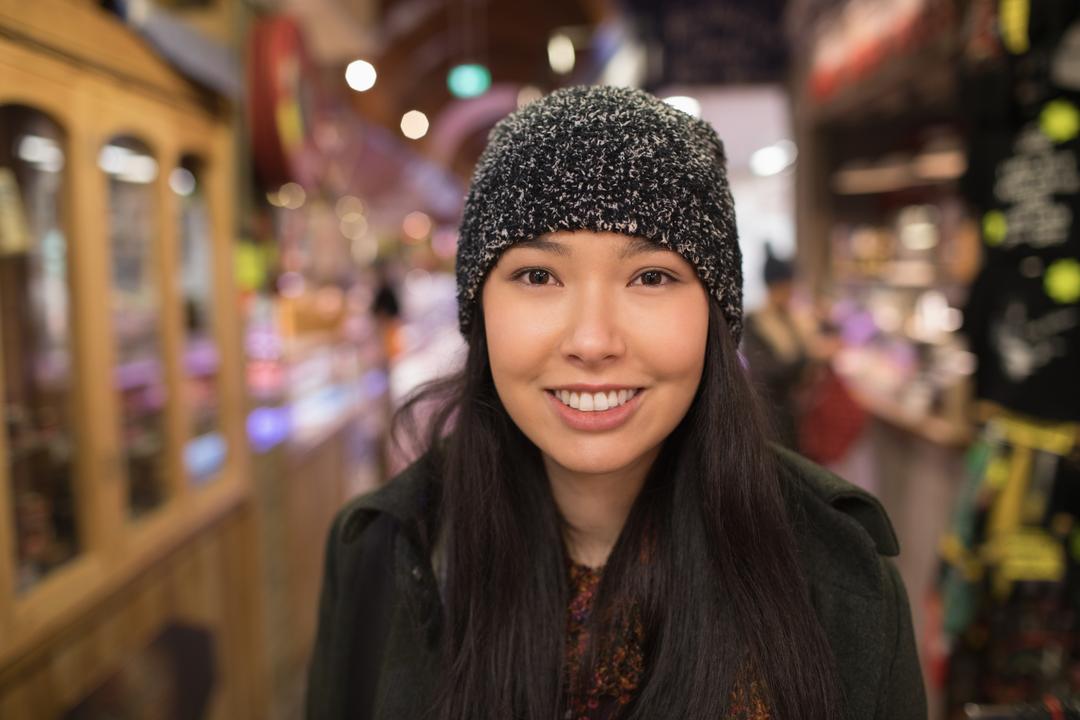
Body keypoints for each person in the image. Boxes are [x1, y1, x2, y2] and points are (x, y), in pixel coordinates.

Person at [306, 86, 926, 720]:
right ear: (480, 310)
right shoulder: (385, 553)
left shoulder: (841, 578)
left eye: (651, 277)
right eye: (538, 276)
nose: (593, 341)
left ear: (714, 316)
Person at [741, 244, 809, 449]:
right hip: (771, 419)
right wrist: (807, 359)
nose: (790, 292)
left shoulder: (790, 319)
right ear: (774, 286)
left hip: (793, 415)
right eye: (787, 286)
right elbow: (766, 371)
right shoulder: (756, 322)